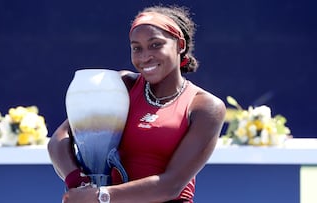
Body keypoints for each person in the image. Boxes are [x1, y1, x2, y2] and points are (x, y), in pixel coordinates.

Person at [48, 4, 226, 203]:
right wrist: (78, 182)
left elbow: (171, 185)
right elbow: (59, 139)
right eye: (136, 48)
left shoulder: (206, 107)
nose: (145, 56)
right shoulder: (121, 86)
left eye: (156, 44)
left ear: (179, 45)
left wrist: (101, 196)